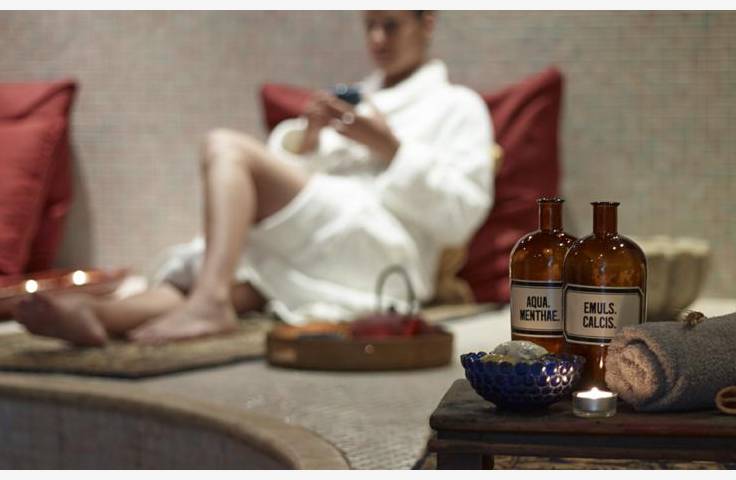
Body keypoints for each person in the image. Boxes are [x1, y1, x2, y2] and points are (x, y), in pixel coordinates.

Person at [14, 11, 494, 346]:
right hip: (327, 241)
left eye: (390, 25)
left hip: (386, 251)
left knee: (225, 147)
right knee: (246, 270)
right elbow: (303, 186)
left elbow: (462, 215)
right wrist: (308, 141)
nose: (377, 40)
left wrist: (391, 149)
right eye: (369, 26)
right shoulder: (356, 101)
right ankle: (99, 315)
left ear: (427, 24)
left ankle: (209, 303)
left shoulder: (457, 107)